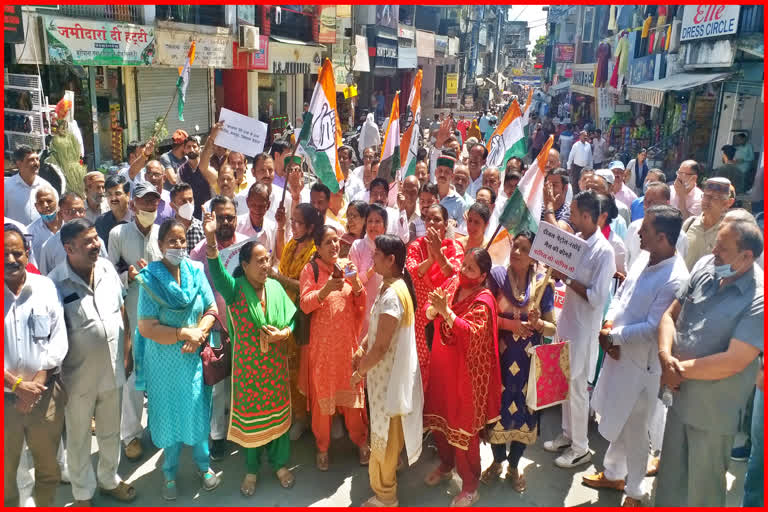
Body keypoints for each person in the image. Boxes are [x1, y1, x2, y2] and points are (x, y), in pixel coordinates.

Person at [584, 206, 690, 507]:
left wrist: (612, 336)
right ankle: (614, 473)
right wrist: (608, 323)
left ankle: (635, 492)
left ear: (662, 238)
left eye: (645, 229)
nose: (638, 233)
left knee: (636, 430)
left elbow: (654, 327)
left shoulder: (674, 278)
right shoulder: (645, 257)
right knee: (620, 419)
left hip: (642, 367)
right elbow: (623, 294)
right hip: (619, 356)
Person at [655, 220, 763, 507]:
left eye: (723, 249)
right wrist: (666, 358)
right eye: (716, 242)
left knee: (703, 493)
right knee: (668, 485)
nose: (714, 250)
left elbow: (734, 361)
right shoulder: (706, 267)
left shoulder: (759, 298)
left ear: (746, 257)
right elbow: (670, 315)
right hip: (678, 401)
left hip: (712, 414)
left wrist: (676, 371)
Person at [204, 215, 297, 496]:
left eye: (267, 259)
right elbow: (218, 273)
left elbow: (291, 321)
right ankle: (252, 470)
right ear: (244, 266)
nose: (265, 265)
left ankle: (281, 465)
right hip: (248, 372)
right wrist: (211, 242)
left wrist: (284, 335)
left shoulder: (277, 288)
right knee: (253, 424)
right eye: (258, 261)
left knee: (278, 420)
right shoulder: (235, 291)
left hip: (275, 369)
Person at [48, 219, 136, 506]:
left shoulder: (108, 269)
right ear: (69, 248)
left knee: (111, 430)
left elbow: (122, 310)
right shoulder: (55, 283)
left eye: (96, 238)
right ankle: (82, 493)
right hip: (77, 378)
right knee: (78, 437)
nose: (96, 244)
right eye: (88, 241)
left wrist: (127, 351)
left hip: (113, 369)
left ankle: (109, 479)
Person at [134, 219, 221, 500]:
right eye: (172, 241)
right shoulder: (151, 279)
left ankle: (204, 467)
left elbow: (211, 307)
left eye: (182, 240)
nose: (179, 246)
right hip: (163, 363)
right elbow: (146, 327)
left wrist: (199, 333)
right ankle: (169, 473)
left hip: (192, 359)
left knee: (196, 412)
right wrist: (183, 333)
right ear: (160, 246)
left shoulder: (196, 271)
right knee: (168, 416)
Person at [422, 248, 501, 507]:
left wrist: (446, 312)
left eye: (470, 268)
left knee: (463, 431)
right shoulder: (453, 282)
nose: (463, 271)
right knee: (439, 420)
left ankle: (470, 485)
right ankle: (445, 465)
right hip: (443, 367)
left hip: (467, 376)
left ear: (482, 276)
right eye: (464, 264)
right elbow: (427, 307)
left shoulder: (484, 300)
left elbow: (472, 335)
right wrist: (434, 311)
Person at [544, 190, 616, 468]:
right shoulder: (577, 241)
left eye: (573, 214)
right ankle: (567, 435)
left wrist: (568, 278)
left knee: (576, 389)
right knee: (564, 385)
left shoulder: (604, 251)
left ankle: (581, 447)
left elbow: (598, 297)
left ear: (587, 216)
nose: (570, 218)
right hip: (567, 324)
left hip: (584, 332)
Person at [482, 232, 557, 492]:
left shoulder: (542, 285)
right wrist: (509, 323)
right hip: (499, 359)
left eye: (524, 249)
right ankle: (496, 461)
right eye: (515, 246)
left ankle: (514, 466)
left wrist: (538, 323)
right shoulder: (497, 278)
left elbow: (551, 329)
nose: (516, 252)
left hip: (527, 364)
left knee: (525, 412)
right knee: (496, 409)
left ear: (534, 255)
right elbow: (484, 313)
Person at [353, 235, 424, 507]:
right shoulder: (392, 285)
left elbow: (382, 346)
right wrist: (362, 346)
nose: (373, 259)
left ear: (391, 260)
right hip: (387, 376)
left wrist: (359, 372)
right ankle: (387, 483)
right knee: (390, 434)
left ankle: (386, 496)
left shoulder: (394, 294)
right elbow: (377, 332)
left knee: (384, 437)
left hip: (388, 379)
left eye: (377, 255)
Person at [4, 225, 68, 507]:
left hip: (45, 397)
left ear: (27, 252)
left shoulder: (44, 288)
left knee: (48, 471)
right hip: (6, 402)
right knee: (6, 476)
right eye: (3, 254)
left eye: (16, 253)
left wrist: (37, 384)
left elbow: (58, 339)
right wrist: (17, 386)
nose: (10, 260)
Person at [299, 226, 370, 470]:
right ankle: (322, 447)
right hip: (323, 351)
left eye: (336, 241)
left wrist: (355, 283)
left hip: (347, 347)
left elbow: (361, 301)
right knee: (322, 405)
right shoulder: (311, 270)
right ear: (317, 247)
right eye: (328, 242)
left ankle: (361, 441)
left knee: (353, 402)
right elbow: (306, 305)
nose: (334, 246)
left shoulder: (347, 265)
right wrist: (326, 289)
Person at [107, 181, 165, 461]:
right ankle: (130, 435)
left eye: (154, 202)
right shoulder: (118, 233)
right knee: (132, 379)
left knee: (158, 377)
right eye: (144, 202)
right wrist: (128, 276)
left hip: (160, 318)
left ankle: (157, 428)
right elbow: (108, 275)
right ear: (133, 205)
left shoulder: (163, 234)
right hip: (130, 318)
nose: (150, 207)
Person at [271, 204, 323, 441]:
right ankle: (294, 414)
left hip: (304, 317)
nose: (295, 226)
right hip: (284, 311)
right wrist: (281, 228)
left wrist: (278, 278)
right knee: (287, 368)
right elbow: (281, 265)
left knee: (303, 369)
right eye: (293, 221)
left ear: (311, 227)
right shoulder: (292, 243)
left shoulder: (315, 251)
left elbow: (303, 286)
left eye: (299, 223)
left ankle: (307, 418)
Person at [406, 204, 465, 394]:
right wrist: (431, 259)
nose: (432, 222)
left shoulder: (454, 247)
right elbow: (412, 273)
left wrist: (438, 254)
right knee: (418, 364)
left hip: (443, 316)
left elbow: (454, 275)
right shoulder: (416, 246)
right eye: (429, 218)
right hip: (419, 318)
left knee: (440, 366)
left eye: (437, 219)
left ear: (446, 224)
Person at [38, 193, 108, 276]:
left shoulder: (97, 242)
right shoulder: (49, 247)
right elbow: (45, 279)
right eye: (71, 212)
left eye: (81, 211)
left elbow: (106, 270)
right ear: (61, 214)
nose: (77, 215)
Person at [626, 182, 689, 269]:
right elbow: (626, 259)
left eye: (652, 202)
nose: (646, 205)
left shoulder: (679, 237)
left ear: (666, 203)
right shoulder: (633, 227)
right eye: (645, 200)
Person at [349, 204, 388, 342]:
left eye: (377, 221)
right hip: (360, 309)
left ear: (384, 226)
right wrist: (371, 271)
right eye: (370, 221)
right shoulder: (357, 246)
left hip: (384, 308)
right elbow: (352, 281)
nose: (373, 225)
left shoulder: (390, 248)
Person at [681, 177, 735, 270]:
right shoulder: (689, 224)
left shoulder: (729, 232)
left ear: (728, 203)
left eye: (715, 197)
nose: (707, 201)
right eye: (705, 196)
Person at [178, 127, 223, 220]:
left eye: (194, 146)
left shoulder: (208, 168)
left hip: (208, 212)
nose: (192, 149)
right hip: (190, 215)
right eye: (188, 147)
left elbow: (214, 190)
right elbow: (179, 194)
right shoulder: (181, 171)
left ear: (199, 148)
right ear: (185, 150)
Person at [5, 145, 52, 225]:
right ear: (19, 163)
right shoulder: (6, 186)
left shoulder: (46, 186)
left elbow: (52, 213)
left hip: (39, 236)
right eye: (31, 160)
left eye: (37, 159)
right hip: (16, 235)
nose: (36, 163)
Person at [237, 182, 281, 260]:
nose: (257, 210)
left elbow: (276, 258)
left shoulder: (273, 228)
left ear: (268, 205)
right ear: (247, 202)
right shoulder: (236, 225)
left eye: (261, 206)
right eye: (253, 205)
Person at [95, 174, 133, 252]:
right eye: (109, 194)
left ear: (127, 195)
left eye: (117, 194)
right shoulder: (101, 222)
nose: (113, 198)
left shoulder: (137, 219)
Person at [368, 178, 409, 244]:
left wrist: (402, 210)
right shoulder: (364, 214)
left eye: (382, 194)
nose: (379, 198)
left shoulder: (396, 214)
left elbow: (404, 238)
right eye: (375, 194)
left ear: (387, 196)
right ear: (370, 196)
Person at [596, 194, 628, 277]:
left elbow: (621, 277)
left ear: (604, 216)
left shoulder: (616, 244)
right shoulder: (580, 235)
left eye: (592, 213)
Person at [26, 186, 61, 261]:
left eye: (49, 201)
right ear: (36, 206)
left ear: (58, 203)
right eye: (41, 202)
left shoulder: (69, 226)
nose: (45, 205)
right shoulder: (30, 232)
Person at [169, 182, 204, 255]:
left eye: (190, 200)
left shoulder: (203, 228)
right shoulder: (167, 230)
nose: (188, 204)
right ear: (172, 205)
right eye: (183, 201)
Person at [143, 160, 176, 224]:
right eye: (149, 173)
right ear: (145, 177)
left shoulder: (171, 199)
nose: (153, 178)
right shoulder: (138, 199)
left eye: (157, 174)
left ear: (164, 178)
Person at [542, 168, 573, 233]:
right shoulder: (539, 208)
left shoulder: (570, 212)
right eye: (548, 185)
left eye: (554, 185)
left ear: (565, 188)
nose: (550, 189)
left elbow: (557, 236)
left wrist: (549, 205)